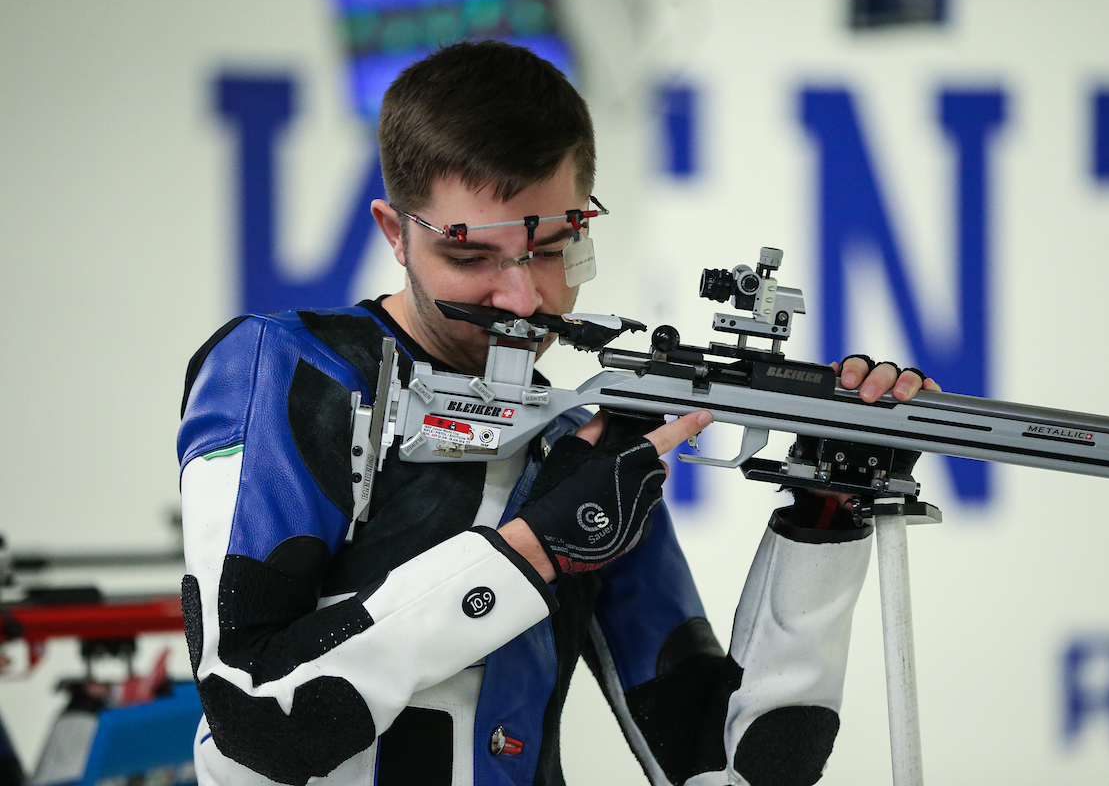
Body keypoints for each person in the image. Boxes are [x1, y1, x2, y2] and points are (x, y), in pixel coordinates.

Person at [178, 40, 938, 786]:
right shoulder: (285, 369)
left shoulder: (576, 450)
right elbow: (256, 721)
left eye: (551, 249)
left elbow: (736, 769)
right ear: (394, 233)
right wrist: (536, 548)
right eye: (472, 259)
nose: (523, 300)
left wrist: (825, 516)